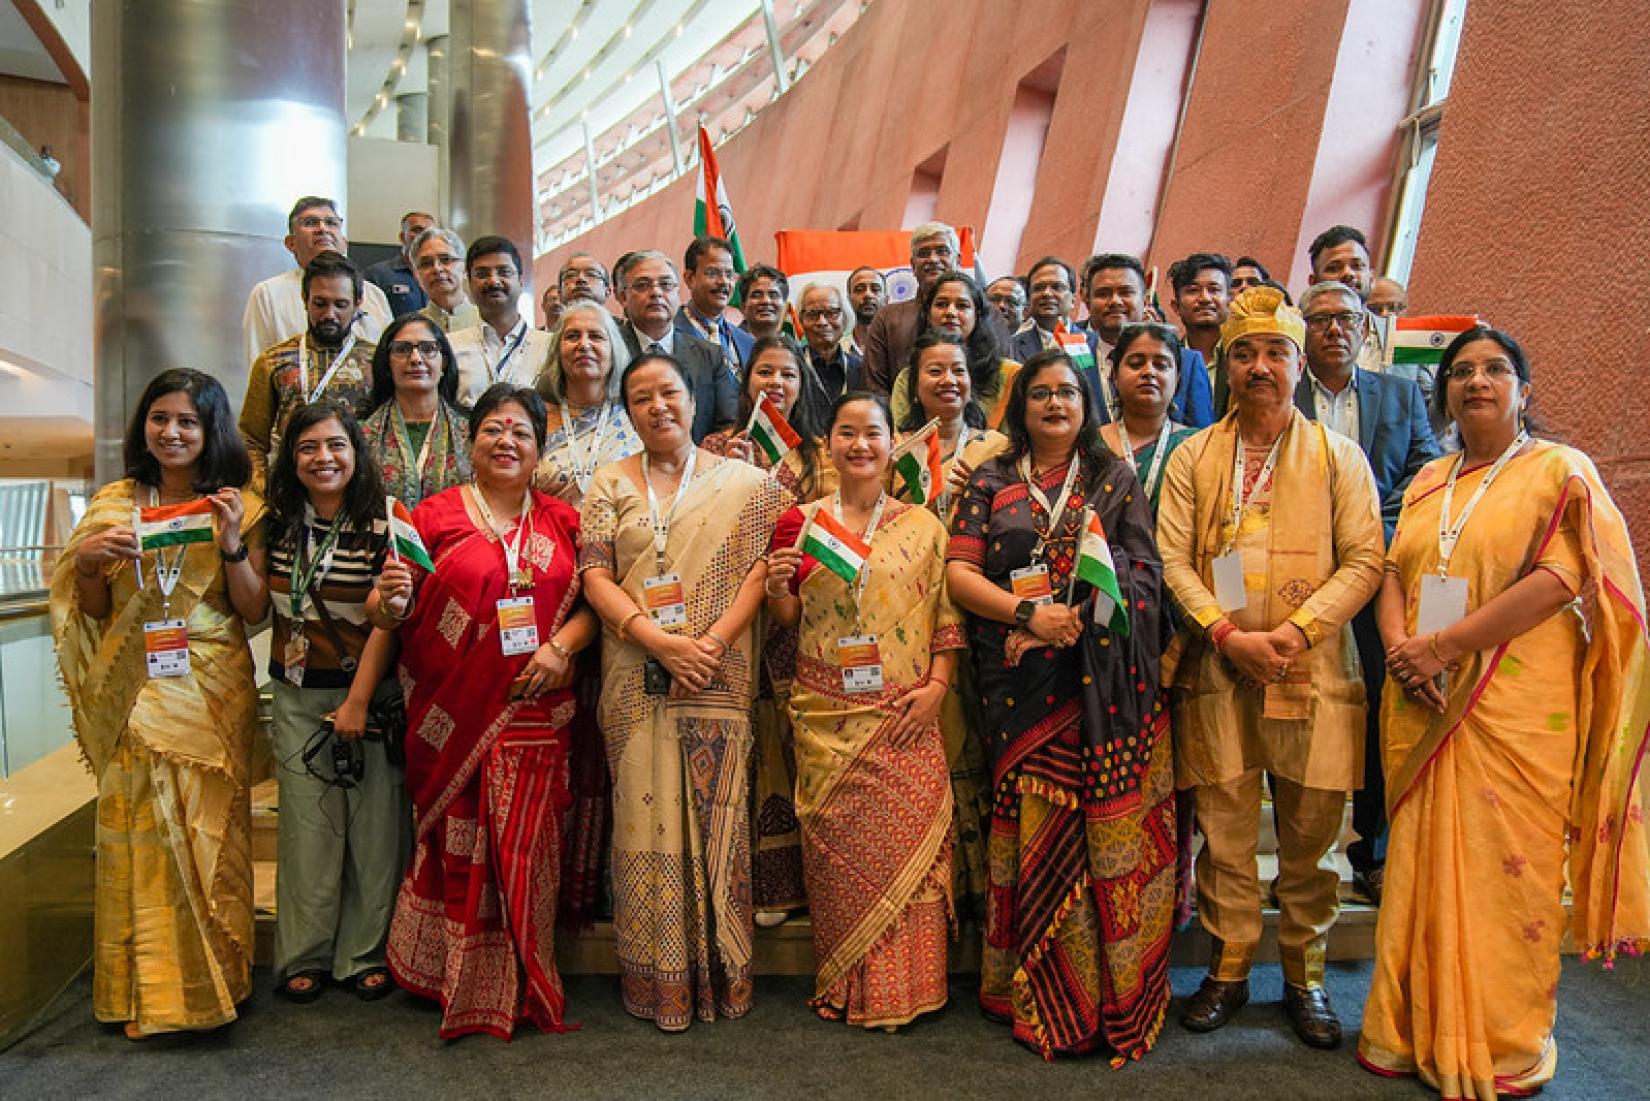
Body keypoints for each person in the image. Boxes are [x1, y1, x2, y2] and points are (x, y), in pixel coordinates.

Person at [1358, 327, 1650, 1097]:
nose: (1476, 381)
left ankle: (1502, 1039)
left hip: (1514, 708)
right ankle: (1407, 1026)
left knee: (1508, 878)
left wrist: (1443, 647)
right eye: (1461, 372)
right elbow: (1392, 570)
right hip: (1423, 696)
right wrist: (1402, 651)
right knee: (1419, 865)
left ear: (1524, 387)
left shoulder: (1560, 471)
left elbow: (1560, 579)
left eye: (1494, 369)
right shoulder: (1427, 480)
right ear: (1444, 390)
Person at [1157, 286, 1383, 1049]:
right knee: (1222, 833)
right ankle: (1226, 968)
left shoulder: (1339, 456)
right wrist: (1225, 634)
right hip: (1219, 670)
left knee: (1312, 836)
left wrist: (1294, 632)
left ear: (1298, 363)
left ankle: (1305, 974)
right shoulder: (1194, 454)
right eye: (1245, 354)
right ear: (1225, 366)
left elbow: (1365, 559)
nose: (1260, 367)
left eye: (1275, 353)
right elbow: (1171, 559)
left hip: (1313, 668)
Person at [946, 349, 1176, 1060]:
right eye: (1039, 393)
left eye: (1067, 392)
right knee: (1032, 836)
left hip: (1100, 688)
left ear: (1086, 404)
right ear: (1020, 408)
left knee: (1089, 841)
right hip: (1019, 687)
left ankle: (1103, 996)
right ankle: (1033, 992)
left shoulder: (1113, 477)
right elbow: (959, 574)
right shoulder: (989, 479)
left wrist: (1098, 605)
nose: (1053, 403)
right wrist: (1028, 615)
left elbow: (1147, 574)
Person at [374, 383, 599, 1039]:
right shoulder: (431, 515)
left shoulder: (563, 519)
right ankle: (453, 976)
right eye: (492, 430)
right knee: (461, 844)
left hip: (538, 712)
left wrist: (562, 645)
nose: (506, 441)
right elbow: (393, 611)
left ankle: (526, 976)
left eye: (520, 432)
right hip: (453, 715)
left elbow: (595, 603)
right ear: (470, 444)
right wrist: (385, 602)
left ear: (539, 449)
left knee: (528, 854)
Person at [52, 369, 267, 1038]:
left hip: (210, 682)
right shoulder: (115, 503)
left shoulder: (239, 504)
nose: (171, 432)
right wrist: (87, 563)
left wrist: (231, 541)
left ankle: (217, 980)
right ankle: (145, 989)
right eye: (159, 418)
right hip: (133, 683)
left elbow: (255, 609)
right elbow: (91, 611)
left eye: (187, 422)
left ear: (211, 432)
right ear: (144, 425)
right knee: (142, 830)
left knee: (209, 833)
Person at [578, 352, 785, 1031]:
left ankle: (724, 975)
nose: (657, 405)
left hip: (717, 673)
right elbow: (596, 576)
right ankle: (659, 980)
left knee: (719, 819)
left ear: (692, 400)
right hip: (636, 672)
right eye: (640, 397)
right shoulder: (610, 480)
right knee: (646, 817)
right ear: (628, 410)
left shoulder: (749, 482)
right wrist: (657, 640)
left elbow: (763, 569)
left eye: (668, 391)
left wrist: (714, 643)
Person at [763, 392, 962, 1030]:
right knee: (837, 854)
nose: (858, 445)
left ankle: (911, 990)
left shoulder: (924, 525)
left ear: (891, 441)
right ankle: (849, 986)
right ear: (828, 445)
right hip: (825, 717)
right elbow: (788, 618)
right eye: (845, 433)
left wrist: (936, 688)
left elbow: (945, 619)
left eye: (871, 433)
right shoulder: (800, 520)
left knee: (911, 856)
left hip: (905, 712)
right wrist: (774, 589)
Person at [263, 402, 407, 1006]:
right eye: (308, 448)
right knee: (306, 830)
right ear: (291, 460)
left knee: (375, 831)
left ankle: (364, 954)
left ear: (357, 453)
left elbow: (390, 622)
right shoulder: (273, 525)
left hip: (368, 694)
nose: (323, 458)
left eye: (336, 446)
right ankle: (305, 954)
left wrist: (356, 702)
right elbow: (256, 608)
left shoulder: (387, 521)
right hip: (295, 693)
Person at [702, 336, 835, 925]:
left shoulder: (820, 455)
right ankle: (727, 884)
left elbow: (833, 525)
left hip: (790, 618)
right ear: (745, 381)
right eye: (764, 372)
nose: (775, 383)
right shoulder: (714, 445)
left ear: (802, 385)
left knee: (784, 749)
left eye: (787, 374)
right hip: (723, 614)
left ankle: (787, 889)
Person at [894, 332, 1008, 915]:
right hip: (918, 625)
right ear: (913, 385)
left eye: (957, 370)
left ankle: (990, 891)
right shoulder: (894, 452)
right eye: (933, 371)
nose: (948, 381)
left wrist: (985, 490)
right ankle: (939, 891)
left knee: (986, 743)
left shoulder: (1001, 448)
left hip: (992, 615)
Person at [240, 250, 379, 494]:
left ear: (358, 303)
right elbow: (251, 439)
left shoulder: (378, 361)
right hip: (290, 489)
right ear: (305, 299)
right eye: (320, 303)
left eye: (341, 304)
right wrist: (262, 491)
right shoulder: (272, 362)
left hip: (360, 490)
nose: (329, 314)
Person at [243, 196, 392, 368]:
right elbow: (259, 367)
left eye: (331, 223)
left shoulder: (374, 295)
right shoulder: (268, 294)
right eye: (310, 222)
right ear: (291, 243)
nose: (322, 229)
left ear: (344, 242)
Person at [614, 250, 738, 442]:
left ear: (678, 292)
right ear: (622, 296)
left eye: (666, 285)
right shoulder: (609, 352)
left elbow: (728, 423)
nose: (656, 292)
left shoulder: (709, 354)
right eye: (643, 285)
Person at [1081, 252, 1214, 427]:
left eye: (1125, 292)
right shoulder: (1073, 359)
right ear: (1087, 302)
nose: (1114, 301)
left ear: (1145, 300)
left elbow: (1202, 435)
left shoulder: (1187, 362)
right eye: (1103, 294)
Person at [533, 298, 640, 508]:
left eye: (596, 336)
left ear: (614, 350)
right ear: (557, 352)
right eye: (572, 336)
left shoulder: (635, 415)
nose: (584, 345)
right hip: (547, 536)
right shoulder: (535, 418)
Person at [360, 314, 471, 510]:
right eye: (402, 350)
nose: (415, 359)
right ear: (387, 363)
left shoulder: (471, 431)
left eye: (428, 349)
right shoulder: (362, 434)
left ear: (443, 362)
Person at [890, 271, 1016, 429]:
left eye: (962, 306)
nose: (950, 312)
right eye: (942, 304)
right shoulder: (908, 378)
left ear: (977, 315)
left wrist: (980, 451)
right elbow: (901, 446)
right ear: (928, 314)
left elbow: (1014, 444)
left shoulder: (1011, 375)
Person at [1099, 323, 1197, 513]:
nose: (1149, 372)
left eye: (1161, 365)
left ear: (1177, 380)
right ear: (1115, 377)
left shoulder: (1196, 445)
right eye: (1136, 364)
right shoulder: (1093, 445)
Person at [449, 236, 553, 404]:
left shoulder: (550, 346)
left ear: (520, 280)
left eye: (504, 272)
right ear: (469, 284)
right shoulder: (451, 346)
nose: (493, 280)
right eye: (482, 274)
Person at [864, 222, 960, 394]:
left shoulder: (984, 314)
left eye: (942, 251)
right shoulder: (887, 318)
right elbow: (875, 387)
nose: (932, 259)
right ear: (912, 265)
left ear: (957, 260)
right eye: (923, 253)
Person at [1307, 225, 1385, 374]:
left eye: (1357, 266)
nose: (1348, 273)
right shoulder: (1298, 336)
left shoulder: (1399, 339)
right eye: (1334, 268)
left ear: (1371, 277)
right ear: (1313, 282)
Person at [677, 235, 755, 369]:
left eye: (729, 275)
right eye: (713, 273)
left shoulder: (747, 343)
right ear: (690, 278)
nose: (724, 281)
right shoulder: (669, 335)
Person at [1168, 252, 1233, 382]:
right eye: (1193, 290)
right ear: (1176, 306)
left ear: (1230, 302)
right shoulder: (1168, 359)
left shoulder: (1241, 357)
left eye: (1213, 289)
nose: (1205, 298)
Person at [798, 283, 863, 399]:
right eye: (812, 314)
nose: (822, 322)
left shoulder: (861, 369)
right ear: (801, 320)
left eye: (831, 313)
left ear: (845, 319)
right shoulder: (792, 365)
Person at [364, 211, 435, 317]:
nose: (423, 236)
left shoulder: (439, 274)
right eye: (417, 230)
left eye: (429, 233)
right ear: (402, 237)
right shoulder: (376, 275)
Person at [412, 227, 482, 333]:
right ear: (416, 275)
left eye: (445, 260)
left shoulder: (489, 321)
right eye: (426, 263)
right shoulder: (409, 328)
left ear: (465, 269)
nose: (437, 268)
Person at [1007, 257, 1077, 362]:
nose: (1047, 293)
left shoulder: (1093, 344)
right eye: (1038, 288)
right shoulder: (1010, 348)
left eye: (1056, 287)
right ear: (1029, 299)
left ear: (1073, 300)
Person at [736, 265, 791, 343]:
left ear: (785, 307)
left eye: (773, 295)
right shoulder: (728, 346)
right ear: (742, 307)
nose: (766, 301)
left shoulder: (794, 351)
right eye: (757, 295)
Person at [845, 265, 885, 356]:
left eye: (875, 289)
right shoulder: (836, 348)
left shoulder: (901, 346)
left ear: (886, 299)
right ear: (849, 299)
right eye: (859, 290)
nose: (868, 295)